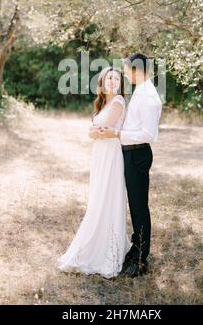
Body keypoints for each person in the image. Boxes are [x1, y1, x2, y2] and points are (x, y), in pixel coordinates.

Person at [57, 67, 132, 279]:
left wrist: (92, 131)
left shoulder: (118, 101)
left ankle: (106, 249)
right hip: (100, 154)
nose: (113, 81)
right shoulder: (103, 103)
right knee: (98, 197)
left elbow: (100, 130)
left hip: (111, 154)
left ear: (120, 83)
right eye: (109, 77)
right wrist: (93, 132)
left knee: (105, 198)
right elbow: (94, 132)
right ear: (102, 81)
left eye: (117, 78)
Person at [97, 53, 162, 277]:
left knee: (139, 207)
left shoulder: (150, 97)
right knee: (134, 206)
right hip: (129, 153)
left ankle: (141, 261)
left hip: (138, 154)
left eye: (126, 70)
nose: (125, 74)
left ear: (136, 69)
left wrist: (117, 133)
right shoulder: (140, 91)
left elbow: (148, 134)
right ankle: (136, 248)